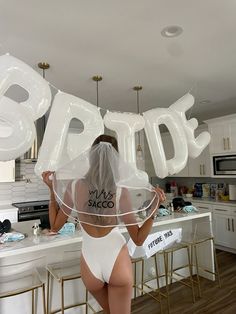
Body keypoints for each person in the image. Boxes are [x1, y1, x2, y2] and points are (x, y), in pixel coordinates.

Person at [42, 134, 166, 314]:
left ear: (91, 156)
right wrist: (155, 207)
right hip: (117, 262)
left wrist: (52, 190)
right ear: (116, 160)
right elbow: (138, 239)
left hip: (90, 265)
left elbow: (54, 226)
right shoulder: (120, 191)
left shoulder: (75, 186)